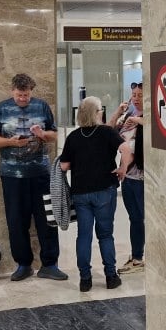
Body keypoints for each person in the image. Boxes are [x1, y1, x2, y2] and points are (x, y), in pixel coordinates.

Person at [0, 73, 67, 282]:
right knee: (16, 220)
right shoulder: (2, 109)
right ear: (12, 90)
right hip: (12, 174)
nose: (23, 99)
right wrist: (11, 143)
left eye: (26, 95)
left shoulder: (41, 106)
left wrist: (42, 134)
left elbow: (55, 134)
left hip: (41, 173)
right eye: (19, 95)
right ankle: (23, 264)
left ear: (32, 91)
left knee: (47, 219)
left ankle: (50, 264)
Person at [60, 96, 129, 291]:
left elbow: (64, 166)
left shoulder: (73, 137)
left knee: (84, 236)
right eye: (100, 110)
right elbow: (126, 150)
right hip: (105, 191)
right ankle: (110, 277)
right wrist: (122, 168)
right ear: (96, 113)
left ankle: (85, 280)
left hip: (81, 193)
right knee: (105, 234)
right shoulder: (107, 133)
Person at [117, 119, 145, 274]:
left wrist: (137, 119)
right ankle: (136, 256)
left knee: (140, 218)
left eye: (140, 94)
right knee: (134, 219)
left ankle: (139, 257)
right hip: (128, 178)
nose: (136, 98)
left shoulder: (142, 121)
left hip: (141, 179)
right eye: (133, 94)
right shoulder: (128, 120)